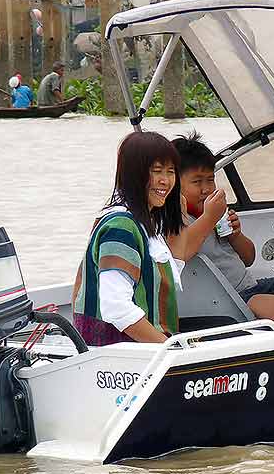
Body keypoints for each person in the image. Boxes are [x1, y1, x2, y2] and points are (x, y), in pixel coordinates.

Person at [72, 131, 227, 346]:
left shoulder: (146, 222)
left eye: (171, 172)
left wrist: (177, 211)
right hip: (121, 355)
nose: (165, 181)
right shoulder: (121, 227)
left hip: (147, 346)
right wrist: (170, 350)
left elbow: (175, 264)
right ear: (134, 174)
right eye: (156, 172)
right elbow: (116, 308)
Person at [173, 132, 274, 329]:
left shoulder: (215, 212)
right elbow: (181, 252)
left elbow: (249, 258)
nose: (206, 188)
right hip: (230, 299)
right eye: (197, 181)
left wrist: (236, 235)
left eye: (210, 180)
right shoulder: (178, 219)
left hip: (252, 286)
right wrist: (208, 218)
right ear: (174, 183)